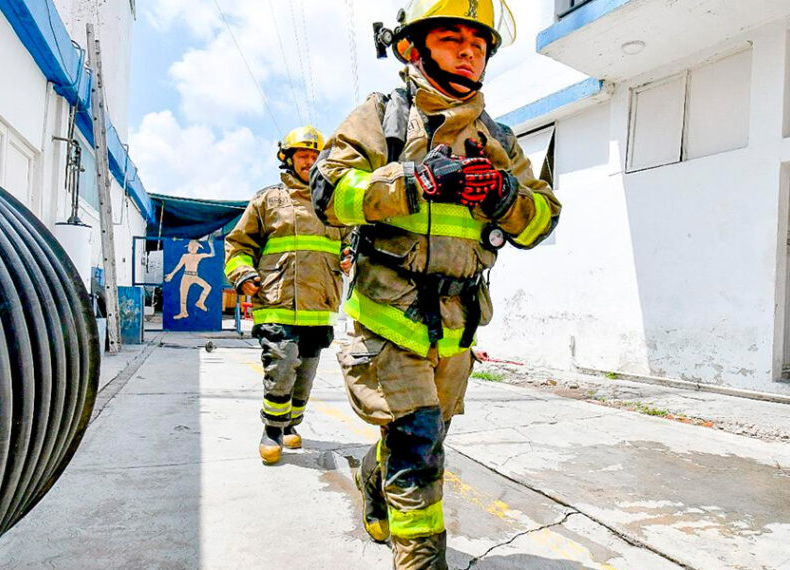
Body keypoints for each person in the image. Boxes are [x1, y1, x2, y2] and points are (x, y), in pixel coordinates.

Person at [310, 1, 560, 566]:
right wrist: (410, 181)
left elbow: (543, 219)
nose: (469, 51)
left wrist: (508, 198)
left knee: (422, 437)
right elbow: (329, 196)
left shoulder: (498, 138)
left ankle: (376, 486)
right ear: (411, 48)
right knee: (419, 447)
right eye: (452, 39)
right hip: (389, 321)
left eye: (479, 43)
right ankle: (422, 559)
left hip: (455, 329)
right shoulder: (381, 118)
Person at [224, 126, 350, 465]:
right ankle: (272, 430)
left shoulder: (334, 203)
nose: (309, 162)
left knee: (305, 374)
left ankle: (292, 421)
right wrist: (242, 273)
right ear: (288, 159)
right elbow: (238, 245)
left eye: (314, 156)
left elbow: (350, 241)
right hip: (277, 301)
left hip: (320, 304)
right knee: (281, 366)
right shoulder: (268, 200)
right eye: (302, 156)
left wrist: (350, 253)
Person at [164, 239, 215, 319]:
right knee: (183, 295)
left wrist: (211, 245)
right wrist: (171, 274)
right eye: (194, 247)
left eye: (196, 247)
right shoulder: (185, 256)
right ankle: (183, 312)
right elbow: (179, 266)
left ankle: (200, 302)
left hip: (195, 276)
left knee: (208, 287)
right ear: (190, 247)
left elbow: (212, 254)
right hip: (186, 277)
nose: (195, 249)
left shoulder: (199, 256)